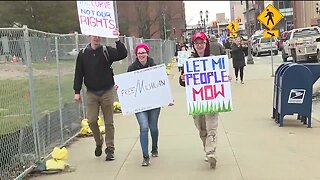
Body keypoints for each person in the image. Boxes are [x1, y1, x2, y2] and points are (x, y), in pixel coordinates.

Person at [178, 32, 231, 169]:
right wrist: (182, 79)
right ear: (194, 45)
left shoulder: (214, 60)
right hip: (197, 101)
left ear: (206, 44)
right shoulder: (189, 62)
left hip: (212, 99)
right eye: (197, 43)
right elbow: (183, 82)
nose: (199, 45)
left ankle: (211, 152)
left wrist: (226, 77)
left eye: (202, 43)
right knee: (202, 128)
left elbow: (221, 76)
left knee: (211, 127)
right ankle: (207, 149)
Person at [73, 30, 128, 161]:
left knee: (109, 122)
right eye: (94, 35)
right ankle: (99, 142)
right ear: (89, 37)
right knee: (91, 120)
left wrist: (117, 39)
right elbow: (79, 73)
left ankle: (110, 149)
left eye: (98, 35)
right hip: (92, 93)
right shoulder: (83, 54)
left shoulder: (106, 51)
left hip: (107, 91)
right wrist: (77, 91)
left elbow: (122, 54)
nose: (96, 38)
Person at [127, 43, 174, 166]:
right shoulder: (131, 68)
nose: (141, 55)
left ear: (147, 53)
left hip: (154, 103)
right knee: (144, 127)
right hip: (139, 104)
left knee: (153, 127)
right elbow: (127, 86)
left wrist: (167, 98)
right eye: (139, 53)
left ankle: (154, 147)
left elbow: (161, 84)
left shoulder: (155, 67)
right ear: (136, 55)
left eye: (143, 52)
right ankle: (145, 156)